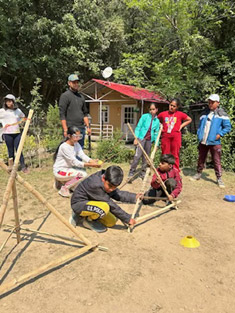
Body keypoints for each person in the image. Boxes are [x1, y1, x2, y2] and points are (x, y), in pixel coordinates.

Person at [70, 165, 142, 233]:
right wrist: (127, 219)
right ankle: (88, 220)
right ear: (103, 178)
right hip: (79, 204)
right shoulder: (95, 184)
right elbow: (111, 205)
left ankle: (86, 215)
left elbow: (117, 193)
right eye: (110, 186)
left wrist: (134, 196)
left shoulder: (107, 179)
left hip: (92, 202)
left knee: (111, 222)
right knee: (105, 207)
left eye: (114, 187)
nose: (111, 189)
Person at [190, 94, 231, 188]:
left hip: (215, 142)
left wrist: (219, 134)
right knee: (201, 158)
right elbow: (200, 126)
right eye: (209, 102)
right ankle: (198, 174)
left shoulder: (222, 114)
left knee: (216, 160)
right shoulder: (204, 113)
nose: (210, 104)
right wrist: (199, 133)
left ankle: (219, 178)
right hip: (203, 140)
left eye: (212, 102)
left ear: (218, 103)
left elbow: (228, 127)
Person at [53, 126, 101, 197]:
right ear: (69, 136)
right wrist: (91, 165)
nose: (78, 138)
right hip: (60, 171)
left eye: (79, 136)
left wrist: (92, 161)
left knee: (80, 188)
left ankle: (62, 182)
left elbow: (82, 155)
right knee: (82, 175)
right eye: (75, 136)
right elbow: (74, 162)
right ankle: (64, 188)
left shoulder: (76, 144)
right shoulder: (64, 147)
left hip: (68, 170)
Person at [157, 98, 192, 172]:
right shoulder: (163, 114)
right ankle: (164, 169)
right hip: (165, 136)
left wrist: (181, 126)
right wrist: (160, 125)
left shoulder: (180, 114)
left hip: (176, 136)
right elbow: (156, 120)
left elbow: (189, 119)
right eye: (170, 105)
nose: (171, 107)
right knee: (165, 153)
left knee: (175, 154)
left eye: (174, 106)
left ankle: (175, 170)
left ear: (177, 107)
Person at [128, 102, 160, 180]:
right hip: (141, 138)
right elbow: (138, 127)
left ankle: (143, 173)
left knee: (146, 157)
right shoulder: (144, 117)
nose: (152, 111)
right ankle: (131, 173)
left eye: (153, 109)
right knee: (137, 156)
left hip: (149, 140)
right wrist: (136, 138)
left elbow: (156, 133)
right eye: (150, 109)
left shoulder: (157, 121)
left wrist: (157, 144)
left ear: (156, 110)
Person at [59, 74, 91, 148]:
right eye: (74, 82)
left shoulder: (81, 97)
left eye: (77, 82)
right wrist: (65, 130)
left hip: (81, 129)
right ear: (69, 83)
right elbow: (62, 114)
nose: (76, 84)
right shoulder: (65, 96)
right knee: (70, 151)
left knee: (80, 150)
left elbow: (85, 113)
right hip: (71, 129)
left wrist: (88, 127)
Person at [0, 94, 29, 173]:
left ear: (13, 102)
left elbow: (23, 117)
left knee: (19, 149)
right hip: (7, 134)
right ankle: (11, 167)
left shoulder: (17, 111)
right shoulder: (2, 111)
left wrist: (24, 121)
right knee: (10, 150)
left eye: (10, 101)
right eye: (7, 101)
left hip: (17, 133)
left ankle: (23, 166)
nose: (8, 103)